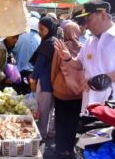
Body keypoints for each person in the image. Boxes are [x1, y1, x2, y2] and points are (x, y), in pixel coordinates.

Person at [55, 0, 115, 114]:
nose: (86, 25)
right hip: (91, 106)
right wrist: (68, 58)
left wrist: (100, 80)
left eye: (89, 19)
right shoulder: (90, 41)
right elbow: (80, 63)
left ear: (103, 14)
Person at [45, 21, 83, 159]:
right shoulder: (83, 48)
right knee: (73, 120)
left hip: (61, 91)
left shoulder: (60, 47)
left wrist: (53, 83)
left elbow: (54, 69)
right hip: (78, 93)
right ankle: (69, 148)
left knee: (61, 120)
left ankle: (60, 148)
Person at [29, 17, 57, 140]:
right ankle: (49, 132)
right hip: (54, 82)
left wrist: (32, 80)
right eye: (39, 28)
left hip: (44, 82)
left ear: (49, 29)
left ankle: (41, 135)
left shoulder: (46, 44)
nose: (39, 31)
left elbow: (39, 65)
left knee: (43, 111)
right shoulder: (55, 41)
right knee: (51, 110)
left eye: (42, 29)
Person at [13, 15, 41, 94]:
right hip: (31, 73)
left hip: (17, 72)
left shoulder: (19, 37)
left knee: (16, 95)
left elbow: (14, 51)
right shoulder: (40, 39)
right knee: (28, 95)